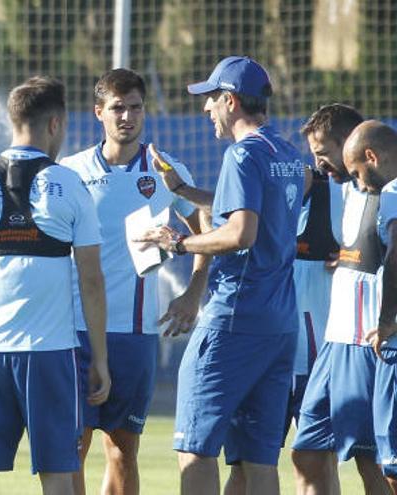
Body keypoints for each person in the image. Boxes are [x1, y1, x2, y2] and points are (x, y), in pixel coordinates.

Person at [136, 56, 304, 494]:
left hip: (234, 320)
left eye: (211, 98)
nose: (205, 108)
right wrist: (184, 192)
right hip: (278, 324)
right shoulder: (286, 152)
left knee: (195, 450)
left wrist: (179, 243)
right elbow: (256, 209)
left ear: (231, 101)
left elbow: (241, 232)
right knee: (258, 461)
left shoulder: (242, 154)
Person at [0, 76, 111, 495]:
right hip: (50, 354)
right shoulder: (70, 184)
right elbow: (91, 279)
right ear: (55, 124)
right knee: (58, 476)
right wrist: (100, 359)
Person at [59, 68, 207, 495]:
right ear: (98, 112)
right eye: (117, 108)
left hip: (136, 332)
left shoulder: (166, 171)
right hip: (74, 330)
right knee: (72, 448)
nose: (127, 117)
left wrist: (193, 292)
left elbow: (205, 227)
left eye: (135, 107)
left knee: (123, 450)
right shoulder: (70, 171)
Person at [290, 104, 387, 495]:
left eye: (323, 153)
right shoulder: (335, 189)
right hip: (334, 344)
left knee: (372, 463)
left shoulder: (387, 194)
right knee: (308, 454)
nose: (319, 163)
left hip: (366, 344)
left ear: (352, 145)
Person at [348, 121, 397, 493]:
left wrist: (386, 321)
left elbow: (396, 254)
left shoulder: (393, 191)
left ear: (372, 156)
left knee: (392, 466)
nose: (360, 185)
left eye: (357, 173)